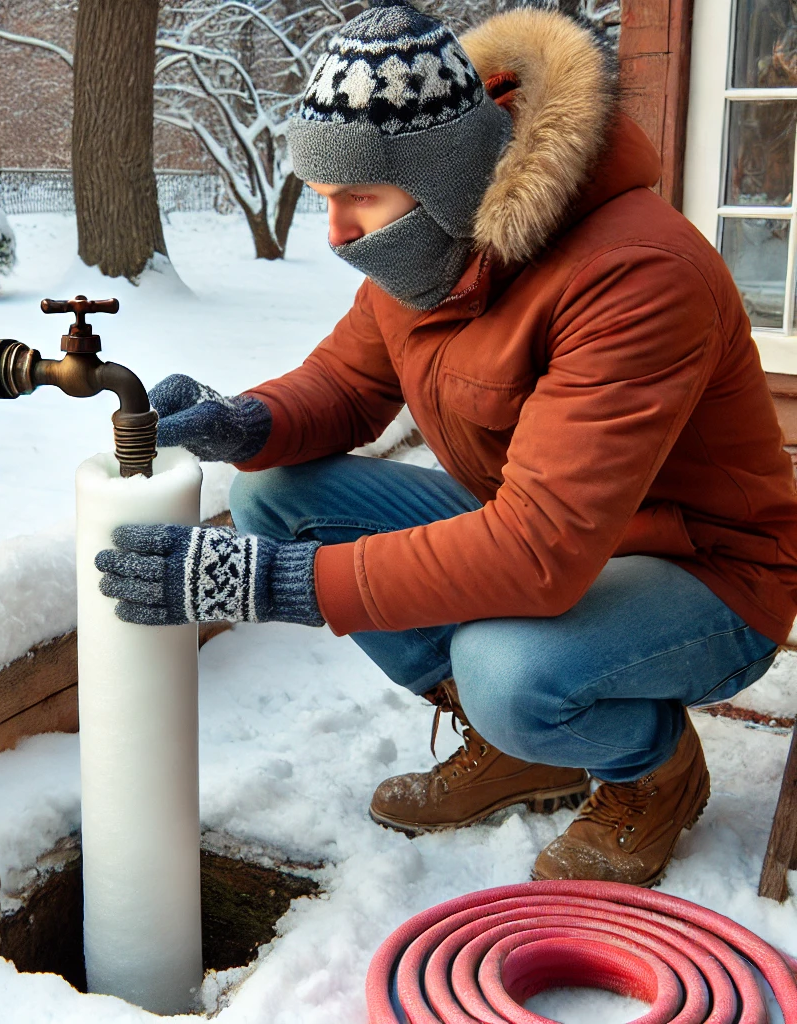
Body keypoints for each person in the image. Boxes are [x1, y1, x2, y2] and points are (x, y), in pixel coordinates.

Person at [95, 1, 797, 887]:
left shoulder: (635, 274)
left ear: (445, 177)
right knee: (273, 495)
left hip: (709, 572)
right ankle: (523, 750)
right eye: (325, 199)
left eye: (357, 198)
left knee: (507, 670)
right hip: (546, 529)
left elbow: (540, 548)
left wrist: (276, 584)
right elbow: (348, 384)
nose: (336, 234)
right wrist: (244, 422)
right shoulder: (429, 244)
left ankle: (651, 772)